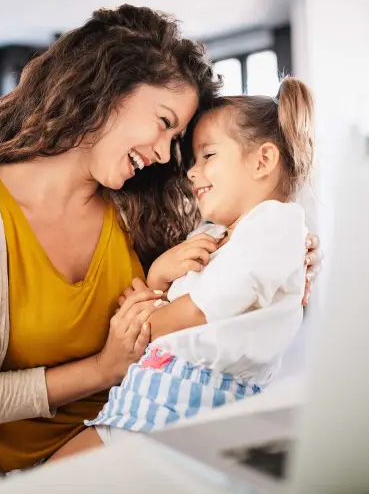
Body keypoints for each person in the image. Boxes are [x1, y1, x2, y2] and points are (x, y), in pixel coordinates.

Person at [0, 5, 322, 493]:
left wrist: (286, 266)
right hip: (20, 469)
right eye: (163, 122)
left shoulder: (146, 204)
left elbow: (214, 289)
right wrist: (102, 369)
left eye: (177, 141)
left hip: (147, 441)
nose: (162, 154)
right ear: (107, 88)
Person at [48, 77, 315, 460]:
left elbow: (192, 312)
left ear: (263, 160)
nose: (191, 172)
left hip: (187, 404)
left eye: (208, 156)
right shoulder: (214, 235)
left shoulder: (274, 223)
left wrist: (140, 324)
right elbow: (165, 302)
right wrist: (157, 275)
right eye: (192, 160)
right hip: (158, 393)